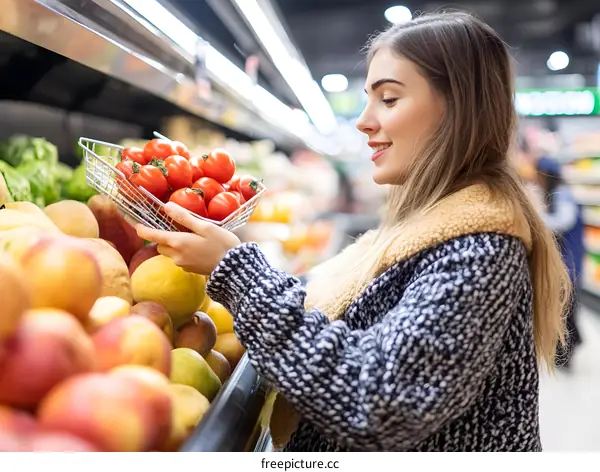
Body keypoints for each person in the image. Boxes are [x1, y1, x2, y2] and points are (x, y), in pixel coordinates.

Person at [136, 12, 571, 452]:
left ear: (457, 109)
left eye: (389, 98)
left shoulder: (480, 250)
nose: (363, 121)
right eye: (368, 98)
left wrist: (238, 272)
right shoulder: (432, 226)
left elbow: (377, 402)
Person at [534, 156, 584, 368]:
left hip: (569, 260)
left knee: (567, 306)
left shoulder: (563, 195)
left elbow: (563, 221)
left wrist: (534, 219)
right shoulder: (555, 194)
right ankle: (566, 348)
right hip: (564, 260)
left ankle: (569, 347)